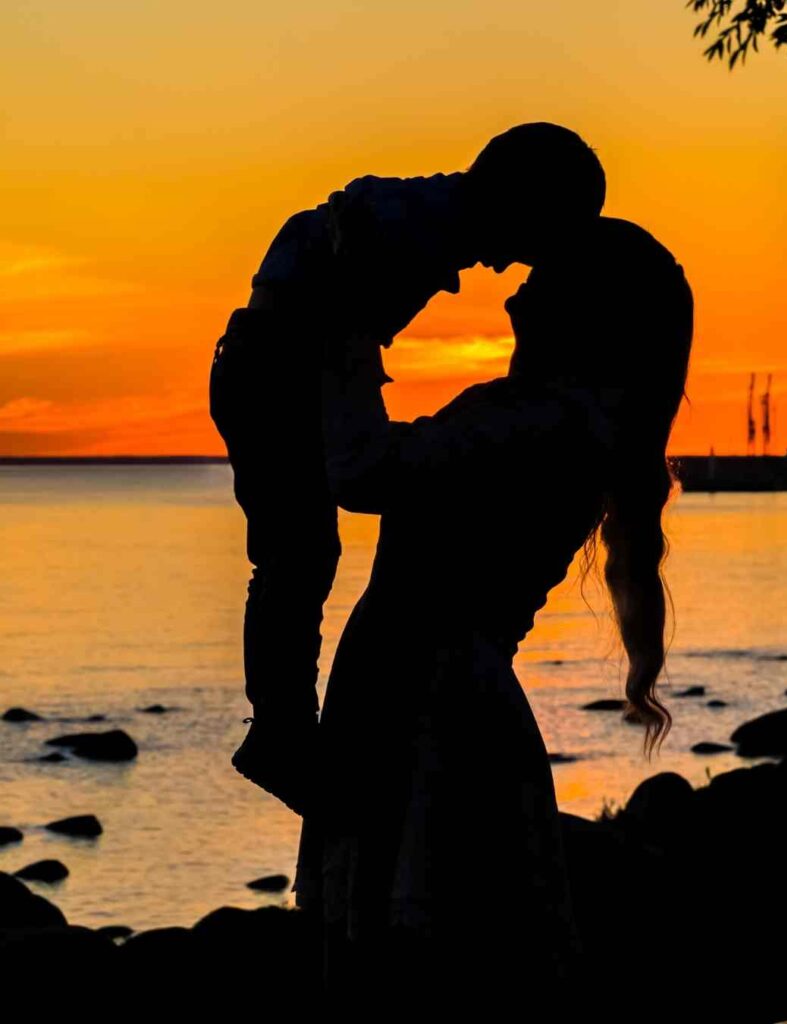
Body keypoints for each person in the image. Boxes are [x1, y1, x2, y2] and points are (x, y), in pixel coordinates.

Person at [296, 216, 694, 1015]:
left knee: (412, 958)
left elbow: (365, 471)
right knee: (448, 949)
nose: (516, 283)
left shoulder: (537, 418)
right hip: (435, 688)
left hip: (427, 699)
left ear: (587, 307)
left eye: (544, 272)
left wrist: (342, 336)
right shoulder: (570, 422)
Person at [208, 123, 607, 816]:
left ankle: (282, 726)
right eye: (528, 243)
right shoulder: (417, 226)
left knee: (298, 554)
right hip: (270, 372)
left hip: (275, 366)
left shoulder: (429, 224)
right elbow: (344, 238)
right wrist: (348, 331)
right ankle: (279, 728)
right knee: (296, 554)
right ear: (513, 202)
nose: (514, 268)